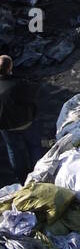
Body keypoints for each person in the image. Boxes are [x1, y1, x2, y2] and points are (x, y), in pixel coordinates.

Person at [0, 54, 35, 183]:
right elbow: (30, 100)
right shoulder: (18, 84)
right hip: (25, 122)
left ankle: (22, 178)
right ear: (10, 68)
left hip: (6, 126)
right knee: (33, 146)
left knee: (14, 151)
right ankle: (38, 172)